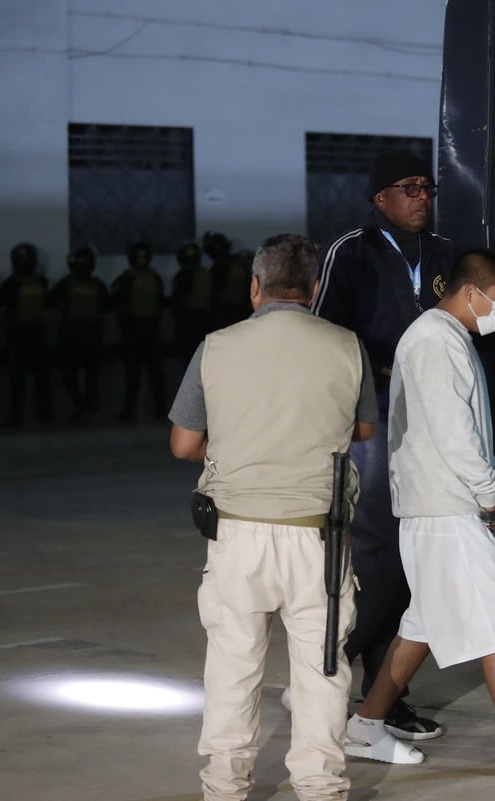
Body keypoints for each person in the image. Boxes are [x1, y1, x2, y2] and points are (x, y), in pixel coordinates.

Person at [343, 250, 495, 785]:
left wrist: (492, 488)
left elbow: (466, 428)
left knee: (423, 624)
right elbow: (453, 432)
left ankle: (365, 726)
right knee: (494, 619)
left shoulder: (445, 337)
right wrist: (489, 494)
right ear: (471, 292)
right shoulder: (434, 340)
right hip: (443, 507)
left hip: (439, 505)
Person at [168, 233, 378, 801]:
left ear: (255, 286)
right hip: (318, 536)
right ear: (313, 289)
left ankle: (225, 787)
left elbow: (184, 444)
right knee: (322, 670)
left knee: (233, 667)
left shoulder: (217, 345)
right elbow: (363, 430)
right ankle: (320, 787)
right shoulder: (347, 345)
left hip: (237, 533)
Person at [312, 149, 451, 738]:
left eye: (427, 186)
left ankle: (383, 697)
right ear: (380, 198)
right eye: (408, 187)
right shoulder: (355, 250)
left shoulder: (446, 254)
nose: (422, 195)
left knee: (417, 556)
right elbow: (325, 335)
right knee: (378, 552)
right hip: (373, 414)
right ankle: (330, 677)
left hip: (433, 417)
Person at [0, 242, 52, 427]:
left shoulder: (12, 283)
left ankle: (21, 416)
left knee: (24, 380)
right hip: (28, 334)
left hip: (23, 334)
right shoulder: (39, 281)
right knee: (32, 379)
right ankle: (38, 415)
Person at [47, 247, 109, 423]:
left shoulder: (88, 284)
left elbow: (105, 308)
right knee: (74, 375)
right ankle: (83, 407)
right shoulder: (70, 284)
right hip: (76, 334)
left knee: (85, 376)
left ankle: (84, 408)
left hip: (82, 334)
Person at [112, 240, 166, 421]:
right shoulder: (152, 278)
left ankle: (135, 410)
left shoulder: (127, 278)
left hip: (137, 330)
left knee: (139, 374)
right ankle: (158, 409)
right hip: (145, 330)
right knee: (151, 373)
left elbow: (117, 302)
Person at [170, 240, 213, 365]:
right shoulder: (206, 273)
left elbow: (180, 301)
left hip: (189, 322)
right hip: (204, 321)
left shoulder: (182, 276)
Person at [205, 231, 251, 331]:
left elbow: (215, 292)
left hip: (225, 311)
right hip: (240, 310)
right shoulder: (240, 264)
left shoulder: (220, 267)